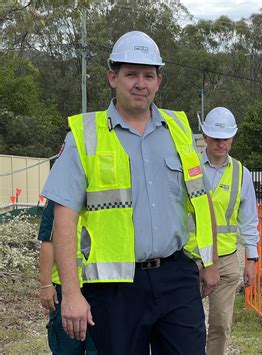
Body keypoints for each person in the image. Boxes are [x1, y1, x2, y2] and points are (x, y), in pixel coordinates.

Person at [41, 31, 219, 354]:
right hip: (115, 289)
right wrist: (70, 292)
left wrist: (210, 261)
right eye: (131, 74)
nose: (140, 83)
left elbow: (201, 199)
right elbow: (62, 218)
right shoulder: (85, 136)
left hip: (176, 276)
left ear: (158, 81)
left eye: (148, 75)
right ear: (113, 77)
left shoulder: (179, 130)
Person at [185, 107, 259, 355]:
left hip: (226, 260)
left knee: (220, 324)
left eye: (225, 138)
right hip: (189, 258)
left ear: (232, 138)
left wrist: (251, 259)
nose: (221, 143)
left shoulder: (241, 174)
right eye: (216, 138)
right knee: (185, 325)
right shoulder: (188, 167)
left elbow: (249, 220)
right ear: (205, 137)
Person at [38, 200, 97, 355]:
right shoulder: (58, 200)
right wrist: (45, 284)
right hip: (64, 290)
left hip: (100, 287)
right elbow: (47, 241)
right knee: (67, 349)